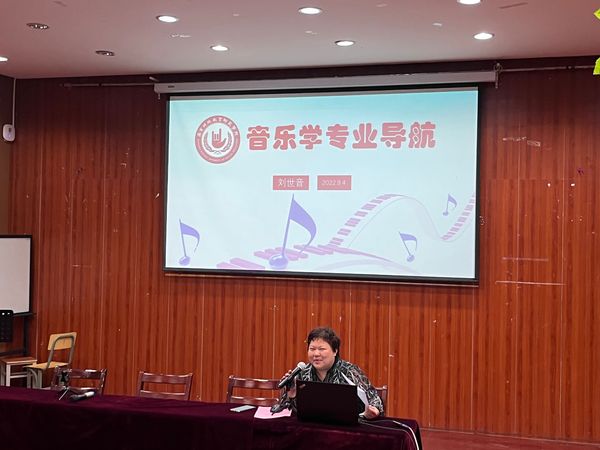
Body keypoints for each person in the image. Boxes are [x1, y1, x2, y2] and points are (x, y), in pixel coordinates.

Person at [278, 326, 384, 419]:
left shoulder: (349, 371)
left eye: (321, 349)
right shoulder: (302, 373)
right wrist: (292, 395)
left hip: (347, 428)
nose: (316, 354)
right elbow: (289, 411)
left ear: (335, 351)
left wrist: (371, 411)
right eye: (312, 349)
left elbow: (374, 400)